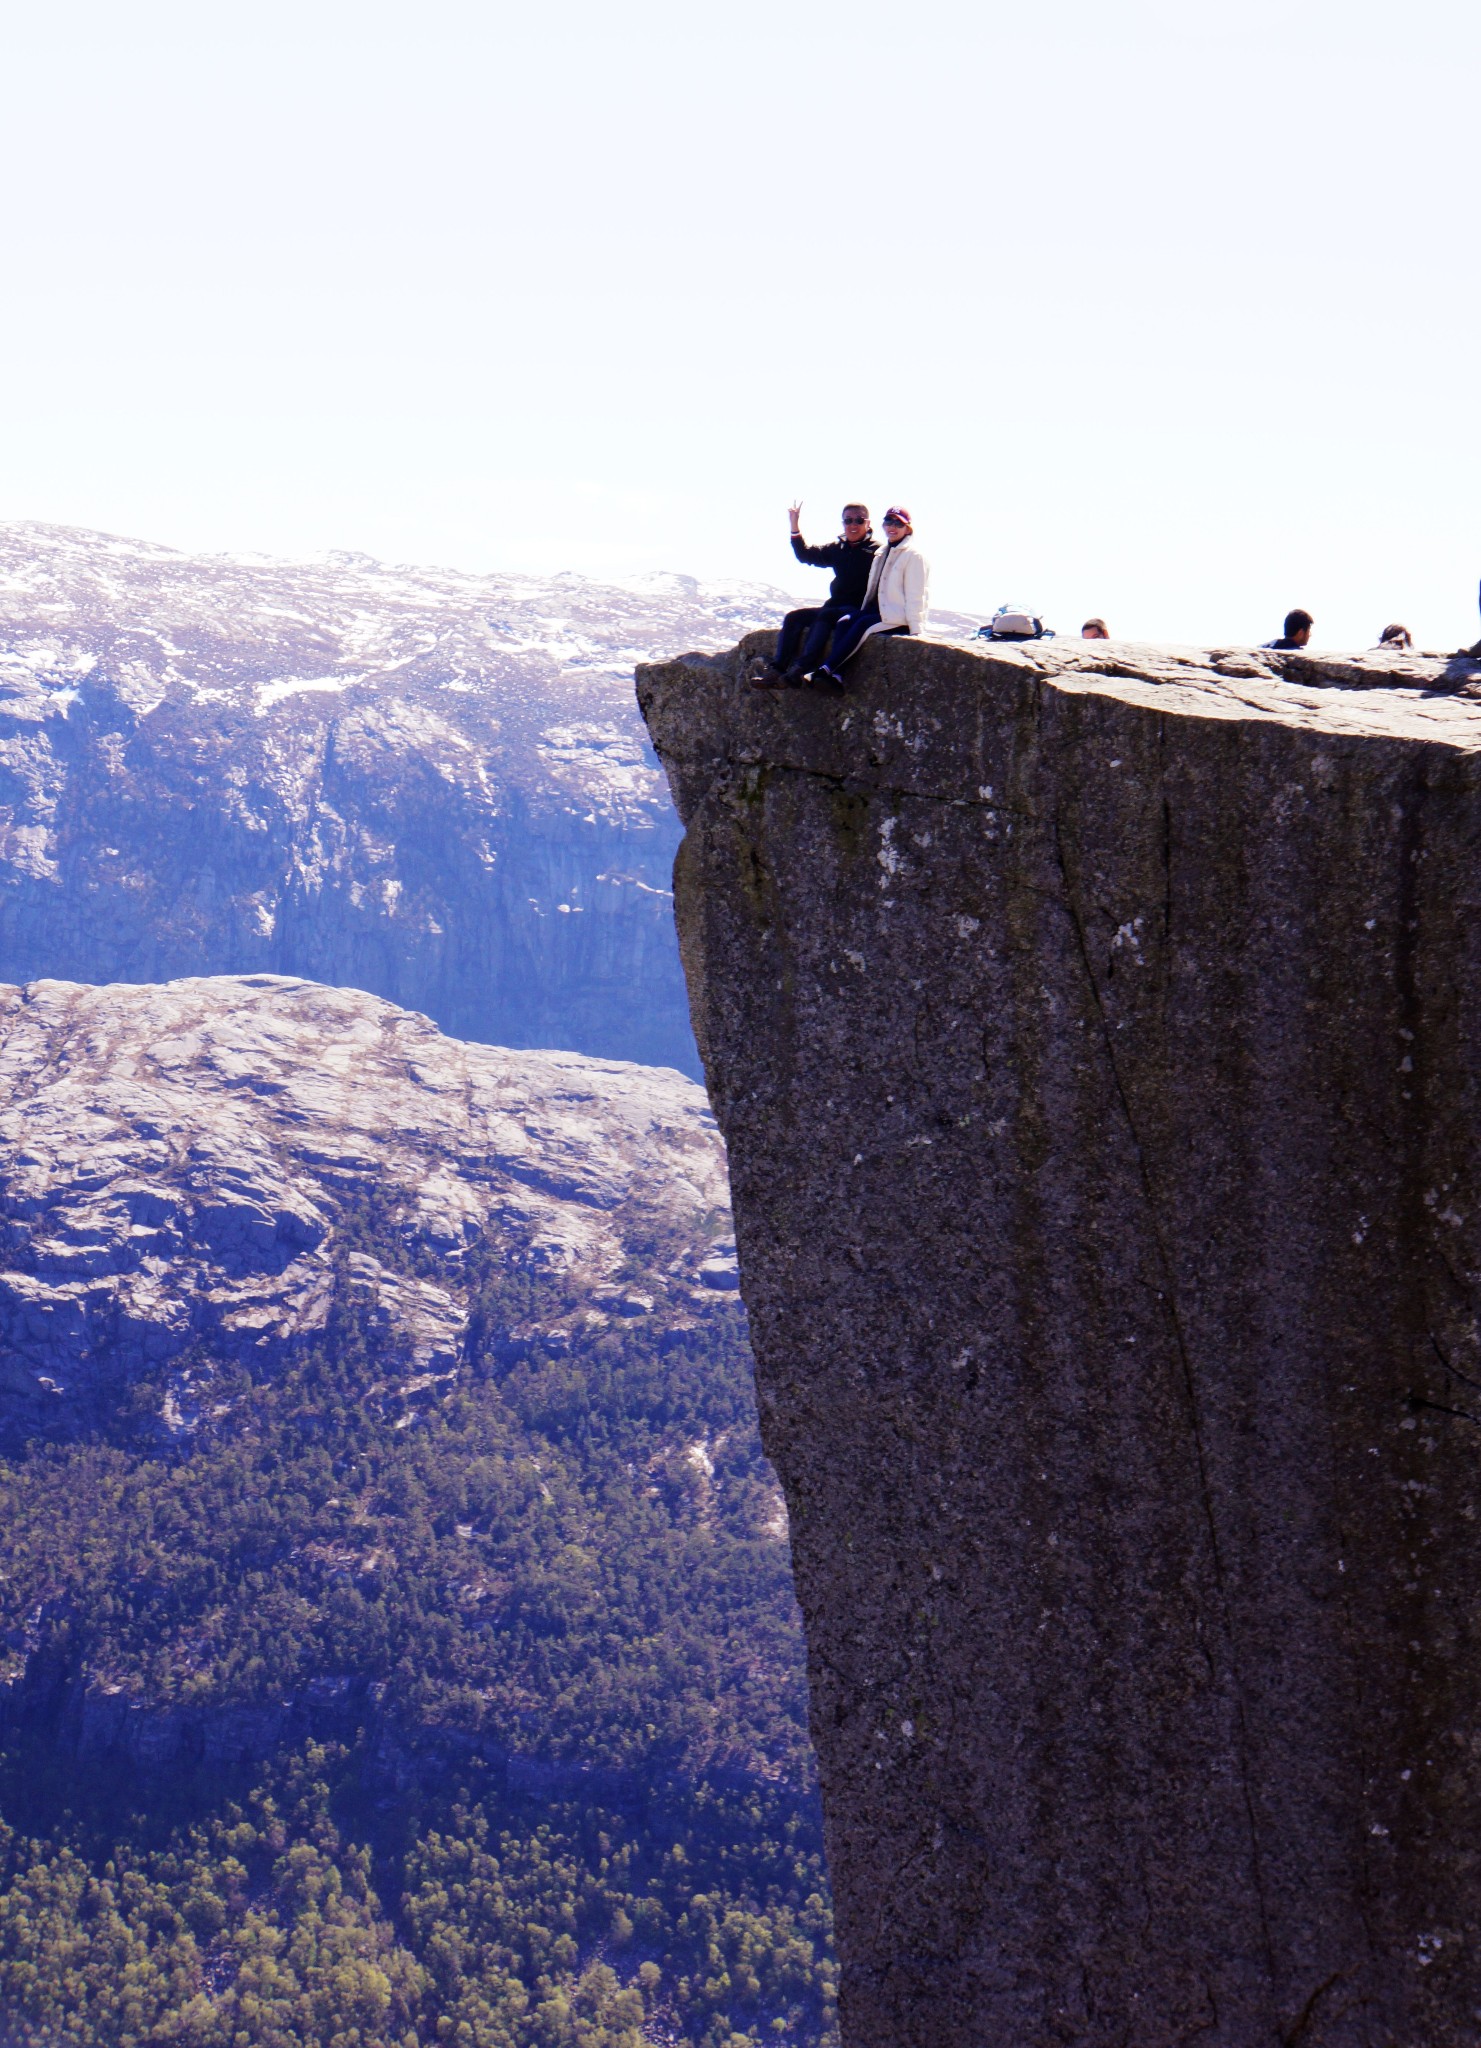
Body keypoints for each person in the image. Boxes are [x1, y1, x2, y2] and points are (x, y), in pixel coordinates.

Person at [753, 502, 878, 687]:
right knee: (794, 618)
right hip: (834, 605)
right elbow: (805, 555)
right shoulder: (838, 549)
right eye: (848, 520)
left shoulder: (877, 552)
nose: (853, 525)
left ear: (868, 523)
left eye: (859, 520)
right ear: (843, 523)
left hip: (856, 610)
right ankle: (777, 669)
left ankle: (800, 669)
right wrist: (794, 526)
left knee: (826, 615)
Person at [810, 507, 930, 692]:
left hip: (897, 617)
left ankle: (826, 669)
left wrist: (916, 630)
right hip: (877, 610)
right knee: (844, 622)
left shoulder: (913, 557)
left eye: (898, 523)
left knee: (861, 625)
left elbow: (917, 595)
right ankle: (837, 675)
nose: (892, 527)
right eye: (889, 522)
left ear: (907, 528)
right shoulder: (882, 552)